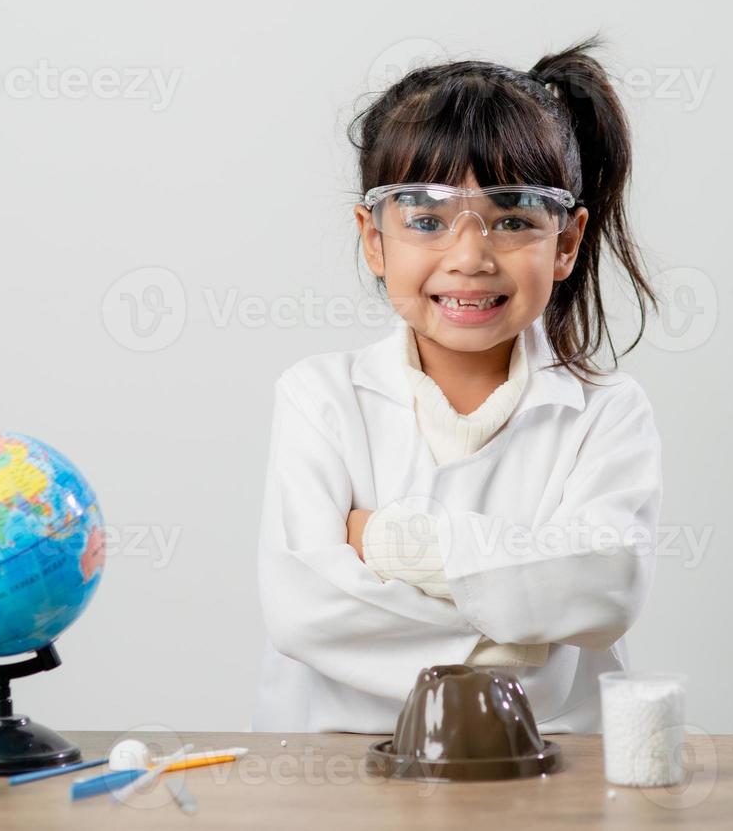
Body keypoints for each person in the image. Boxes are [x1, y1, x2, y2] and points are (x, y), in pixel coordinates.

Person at [253, 36, 664, 733]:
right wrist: (524, 639)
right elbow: (306, 611)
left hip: (546, 769)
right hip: (340, 772)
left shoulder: (607, 412)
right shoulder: (320, 397)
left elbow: (606, 583)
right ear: (374, 237)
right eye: (426, 220)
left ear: (565, 242)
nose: (469, 256)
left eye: (512, 219)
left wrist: (390, 545)